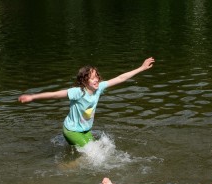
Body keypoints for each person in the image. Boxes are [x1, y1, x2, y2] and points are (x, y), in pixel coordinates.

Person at [18, 57, 155, 147]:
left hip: (85, 130)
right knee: (92, 153)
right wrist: (33, 97)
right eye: (92, 78)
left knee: (98, 147)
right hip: (72, 131)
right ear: (84, 81)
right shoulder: (78, 92)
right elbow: (55, 94)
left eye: (97, 77)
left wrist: (141, 68)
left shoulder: (99, 88)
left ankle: (69, 160)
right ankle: (68, 166)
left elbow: (120, 78)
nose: (96, 80)